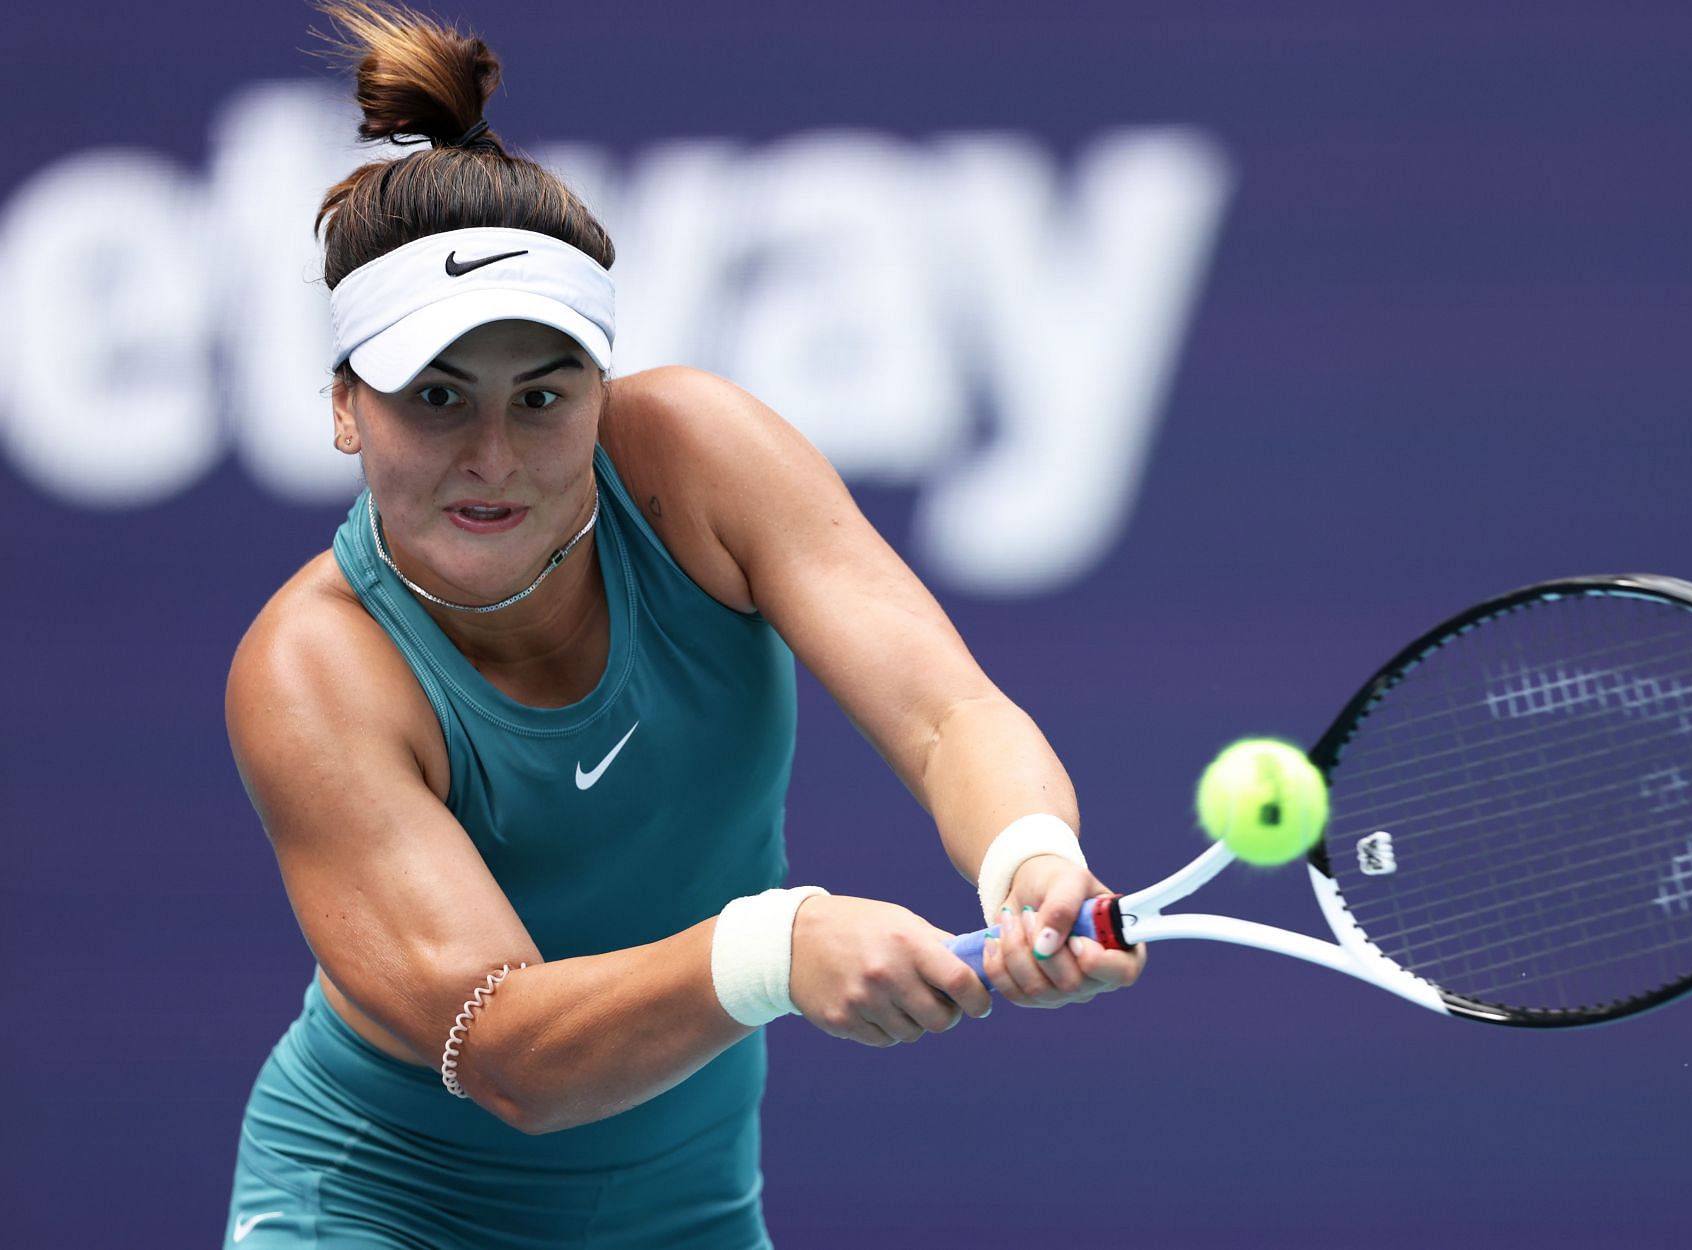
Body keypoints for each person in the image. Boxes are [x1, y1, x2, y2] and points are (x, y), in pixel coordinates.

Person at [222, 3, 1144, 1245]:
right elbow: (505, 1046)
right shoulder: (313, 669)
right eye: (435, 396)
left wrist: (1027, 860)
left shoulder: (699, 459)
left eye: (542, 396)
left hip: (689, 1213)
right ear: (347, 408)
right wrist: (775, 944)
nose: (491, 455)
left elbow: (946, 714)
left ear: (601, 392)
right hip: (382, 1212)